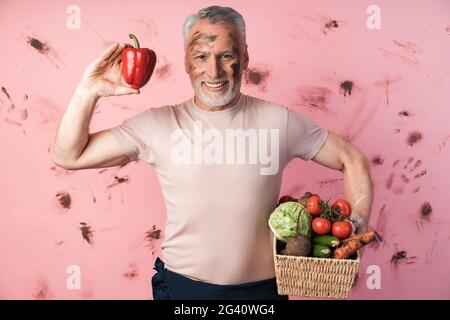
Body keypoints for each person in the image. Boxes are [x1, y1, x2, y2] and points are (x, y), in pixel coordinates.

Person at [52, 6, 373, 300]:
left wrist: (355, 229)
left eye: (226, 56)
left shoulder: (280, 122)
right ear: (187, 63)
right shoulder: (156, 125)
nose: (214, 70)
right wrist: (89, 91)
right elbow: (69, 156)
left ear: (245, 58)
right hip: (182, 292)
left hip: (261, 295)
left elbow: (352, 159)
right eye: (201, 56)